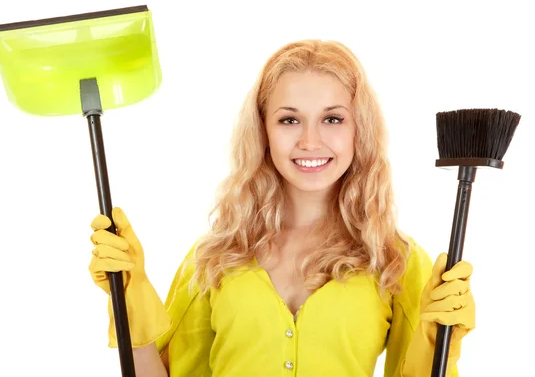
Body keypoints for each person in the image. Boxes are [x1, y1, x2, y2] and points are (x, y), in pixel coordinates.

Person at [88, 39, 476, 376]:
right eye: (289, 119)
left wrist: (438, 343)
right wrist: (128, 297)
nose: (310, 141)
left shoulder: (394, 261)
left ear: (359, 129)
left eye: (333, 119)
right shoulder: (215, 257)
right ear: (264, 130)